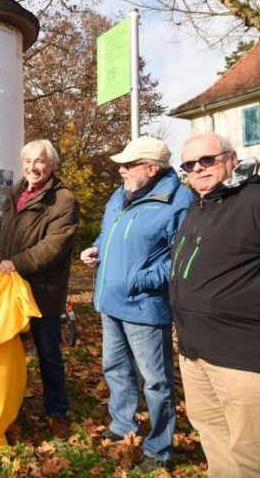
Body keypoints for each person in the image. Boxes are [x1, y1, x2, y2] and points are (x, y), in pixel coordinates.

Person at [80, 136, 193, 472]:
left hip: (145, 306)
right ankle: (122, 426)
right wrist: (97, 248)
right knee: (115, 369)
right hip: (110, 301)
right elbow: (109, 232)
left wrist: (139, 280)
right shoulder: (121, 194)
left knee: (156, 380)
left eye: (128, 165)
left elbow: (179, 259)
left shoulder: (178, 201)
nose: (121, 170)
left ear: (151, 168)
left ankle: (159, 448)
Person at [170, 133, 260, 478]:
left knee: (255, 454)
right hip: (196, 353)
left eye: (207, 160)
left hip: (244, 357)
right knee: (214, 438)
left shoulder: (259, 202)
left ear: (231, 158)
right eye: (189, 165)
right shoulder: (196, 208)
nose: (197, 169)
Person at [0, 139, 79, 439]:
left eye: (39, 161)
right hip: (9, 291)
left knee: (48, 355)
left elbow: (54, 247)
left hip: (43, 292)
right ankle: (7, 412)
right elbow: (3, 240)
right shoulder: (14, 193)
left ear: (52, 164)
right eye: (28, 161)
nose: (33, 167)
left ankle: (57, 413)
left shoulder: (63, 200)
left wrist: (15, 263)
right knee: (5, 354)